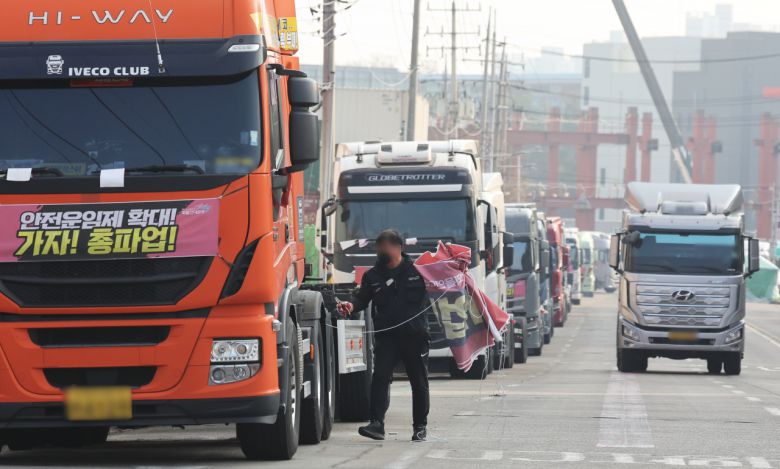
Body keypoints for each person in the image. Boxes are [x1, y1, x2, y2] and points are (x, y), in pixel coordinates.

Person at [337, 229, 430, 442]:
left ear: (398, 248)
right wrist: (350, 306)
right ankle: (376, 424)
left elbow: (441, 283)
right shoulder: (372, 276)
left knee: (419, 382)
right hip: (387, 337)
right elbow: (361, 300)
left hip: (414, 336)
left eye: (386, 246)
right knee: (379, 377)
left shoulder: (420, 271)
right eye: (380, 247)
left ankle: (420, 427)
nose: (382, 251)